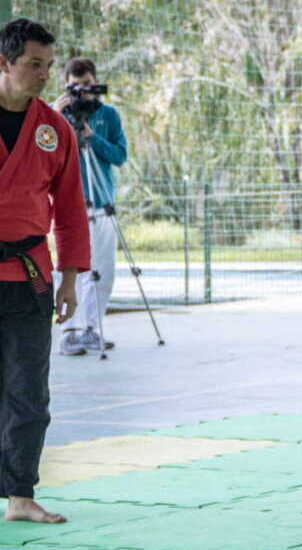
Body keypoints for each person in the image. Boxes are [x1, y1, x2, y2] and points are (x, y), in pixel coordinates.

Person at [0, 18, 90, 523]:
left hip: (29, 275)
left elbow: (71, 206)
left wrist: (71, 279)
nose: (43, 75)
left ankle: (20, 495)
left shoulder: (54, 129)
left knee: (28, 390)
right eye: (34, 64)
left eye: (48, 66)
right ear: (3, 63)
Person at [53, 57, 127, 355]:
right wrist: (59, 115)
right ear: (67, 85)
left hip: (102, 202)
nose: (83, 91)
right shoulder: (56, 115)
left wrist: (91, 138)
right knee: (73, 268)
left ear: (95, 82)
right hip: (71, 205)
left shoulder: (108, 115)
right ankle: (68, 330)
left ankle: (92, 328)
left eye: (88, 84)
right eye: (76, 85)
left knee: (103, 269)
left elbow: (120, 156)